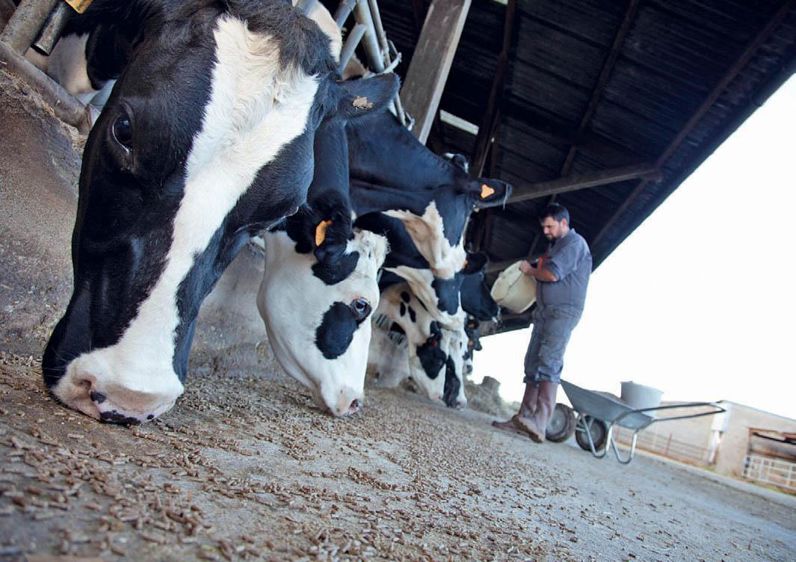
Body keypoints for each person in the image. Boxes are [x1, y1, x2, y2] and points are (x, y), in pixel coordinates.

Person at [492, 203, 591, 442]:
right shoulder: (555, 246)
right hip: (545, 311)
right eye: (543, 226)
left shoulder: (574, 244)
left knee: (549, 361)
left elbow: (552, 274)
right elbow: (545, 268)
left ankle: (540, 422)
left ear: (564, 223)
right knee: (533, 361)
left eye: (549, 226)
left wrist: (529, 270)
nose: (545, 231)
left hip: (563, 311)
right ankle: (523, 418)